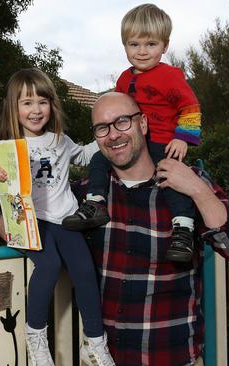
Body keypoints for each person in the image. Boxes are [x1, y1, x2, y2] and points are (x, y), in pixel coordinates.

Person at [85, 92, 229, 365]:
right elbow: (32, 225)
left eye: (122, 122)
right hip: (104, 358)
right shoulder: (91, 195)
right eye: (102, 128)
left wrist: (198, 190)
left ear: (142, 124)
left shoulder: (186, 183)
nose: (113, 135)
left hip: (170, 356)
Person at [0, 68, 115, 366]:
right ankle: (36, 339)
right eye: (27, 103)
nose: (36, 109)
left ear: (51, 105)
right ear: (14, 108)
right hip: (30, 221)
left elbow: (84, 155)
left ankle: (95, 343)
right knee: (50, 264)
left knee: (85, 272)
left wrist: (109, 131)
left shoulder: (60, 140)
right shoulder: (7, 146)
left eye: (42, 101)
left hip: (64, 218)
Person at [63, 3, 202, 263]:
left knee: (171, 180)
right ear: (125, 45)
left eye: (150, 44)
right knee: (98, 161)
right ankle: (96, 203)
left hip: (163, 141)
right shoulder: (124, 79)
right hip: (134, 140)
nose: (142, 51)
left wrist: (182, 138)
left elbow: (190, 107)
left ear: (165, 46)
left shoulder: (170, 76)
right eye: (134, 44)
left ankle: (183, 229)